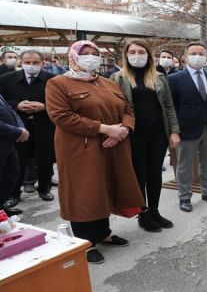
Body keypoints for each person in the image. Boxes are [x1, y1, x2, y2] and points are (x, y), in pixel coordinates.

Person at [45, 40, 144, 264]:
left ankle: (102, 233)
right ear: (73, 56)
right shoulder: (58, 83)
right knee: (84, 192)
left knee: (105, 187)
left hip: (114, 145)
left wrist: (124, 129)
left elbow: (127, 109)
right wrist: (104, 128)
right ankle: (84, 241)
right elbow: (61, 116)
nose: (91, 57)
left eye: (95, 53)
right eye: (85, 53)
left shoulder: (108, 83)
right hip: (81, 149)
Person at [111, 40, 180, 233]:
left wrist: (174, 131)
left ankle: (155, 211)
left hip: (158, 133)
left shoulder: (159, 77)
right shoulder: (118, 78)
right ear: (126, 55)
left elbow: (169, 106)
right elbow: (115, 108)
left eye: (141, 51)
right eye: (132, 51)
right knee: (139, 175)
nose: (137, 55)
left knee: (155, 174)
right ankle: (144, 214)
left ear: (148, 55)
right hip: (134, 135)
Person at [168, 42, 207, 212]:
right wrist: (173, 131)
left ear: (206, 56)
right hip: (186, 129)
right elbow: (171, 106)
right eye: (193, 53)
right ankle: (185, 197)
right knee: (185, 166)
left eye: (201, 53)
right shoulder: (174, 79)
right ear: (185, 56)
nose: (197, 56)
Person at [0, 50, 56, 209]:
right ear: (20, 62)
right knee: (18, 161)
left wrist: (44, 106)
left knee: (45, 159)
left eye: (35, 63)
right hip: (18, 126)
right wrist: (17, 105)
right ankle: (13, 193)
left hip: (44, 125)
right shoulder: (6, 80)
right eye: (28, 62)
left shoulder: (53, 80)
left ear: (42, 63)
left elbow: (60, 102)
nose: (31, 66)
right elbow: (2, 101)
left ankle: (44, 188)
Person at [0, 93, 28, 216]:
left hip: (8, 144)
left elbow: (11, 111)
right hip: (5, 138)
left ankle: (1, 207)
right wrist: (16, 131)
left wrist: (21, 128)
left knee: (10, 175)